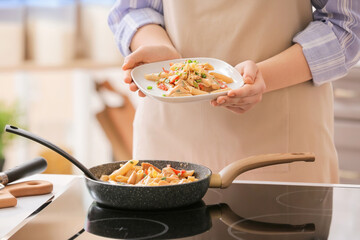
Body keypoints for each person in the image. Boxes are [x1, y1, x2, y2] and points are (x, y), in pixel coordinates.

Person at [108, 0, 360, 183]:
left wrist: (265, 77)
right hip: (168, 142)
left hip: (279, 146)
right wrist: (159, 52)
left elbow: (348, 25)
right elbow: (132, 9)